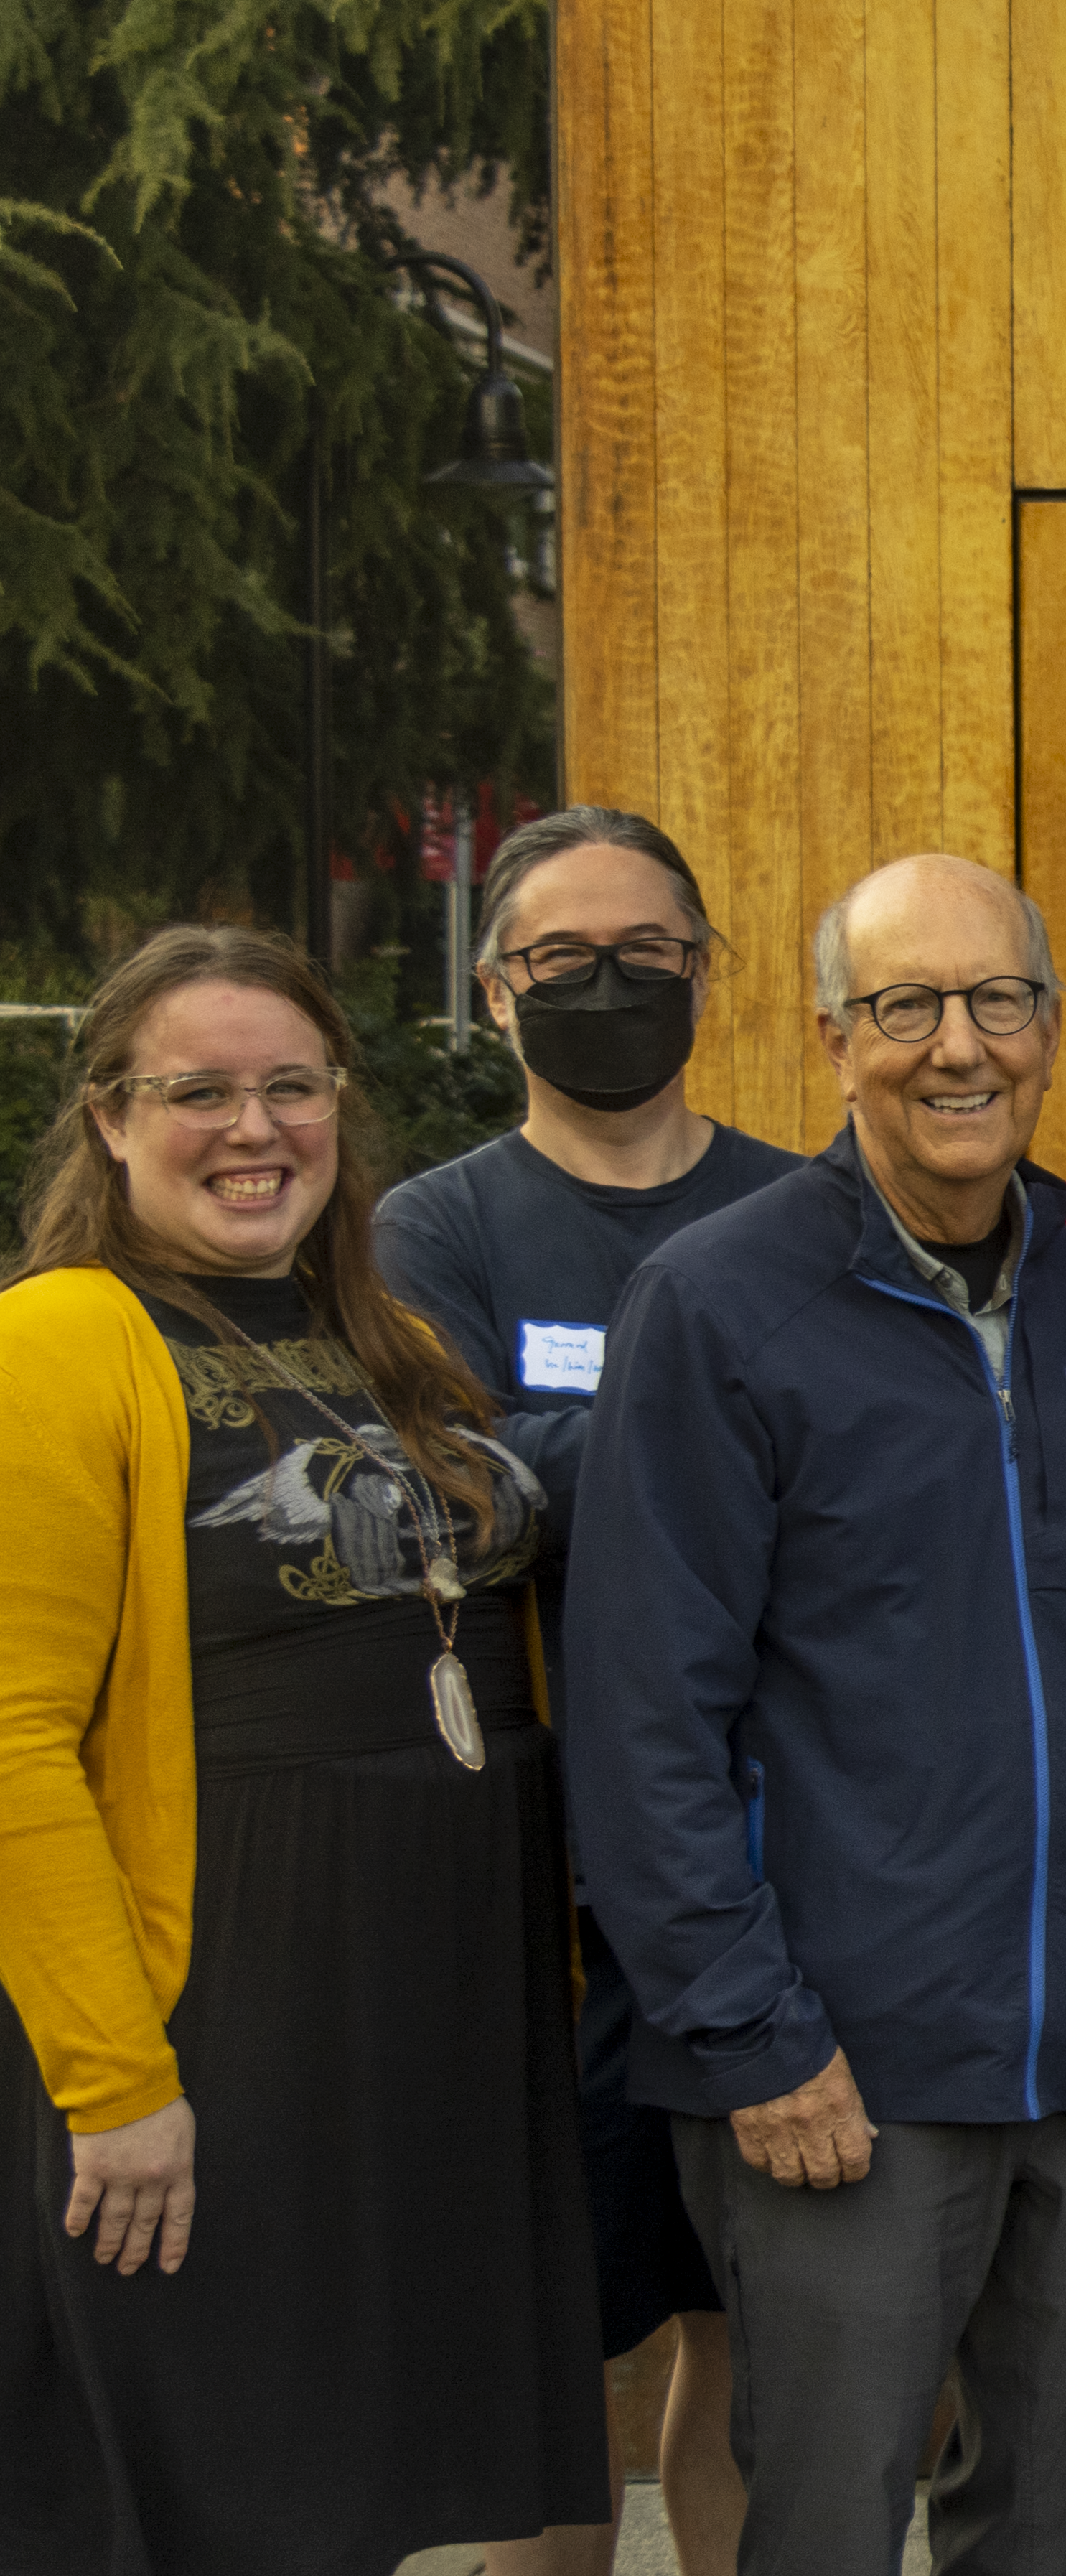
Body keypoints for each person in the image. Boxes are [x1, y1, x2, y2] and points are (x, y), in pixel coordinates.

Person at [568, 854, 1066, 2574]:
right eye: (906, 1006)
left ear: (1050, 1024)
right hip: (840, 2062)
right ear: (831, 1036)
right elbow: (643, 1710)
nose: (958, 1046)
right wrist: (752, 2032)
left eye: (998, 999)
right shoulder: (721, 1302)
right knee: (824, 2520)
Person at [1, 924, 598, 2570]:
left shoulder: (379, 1335)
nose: (253, 1126)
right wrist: (119, 2085)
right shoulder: (61, 1338)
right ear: (111, 1115)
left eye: (292, 1084)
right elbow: (13, 1738)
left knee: (356, 2499)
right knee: (223, 2498)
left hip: (423, 2006)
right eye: (199, 1090)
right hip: (225, 2015)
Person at [373, 808, 803, 2576]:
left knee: (756, 2332)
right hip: (537, 1879)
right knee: (554, 2341)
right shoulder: (433, 1224)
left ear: (713, 968)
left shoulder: (801, 1205)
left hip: (781, 1857)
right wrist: (727, 1453)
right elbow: (452, 1488)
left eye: (649, 951)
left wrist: (581, 1456)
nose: (610, 984)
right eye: (563, 958)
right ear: (495, 988)